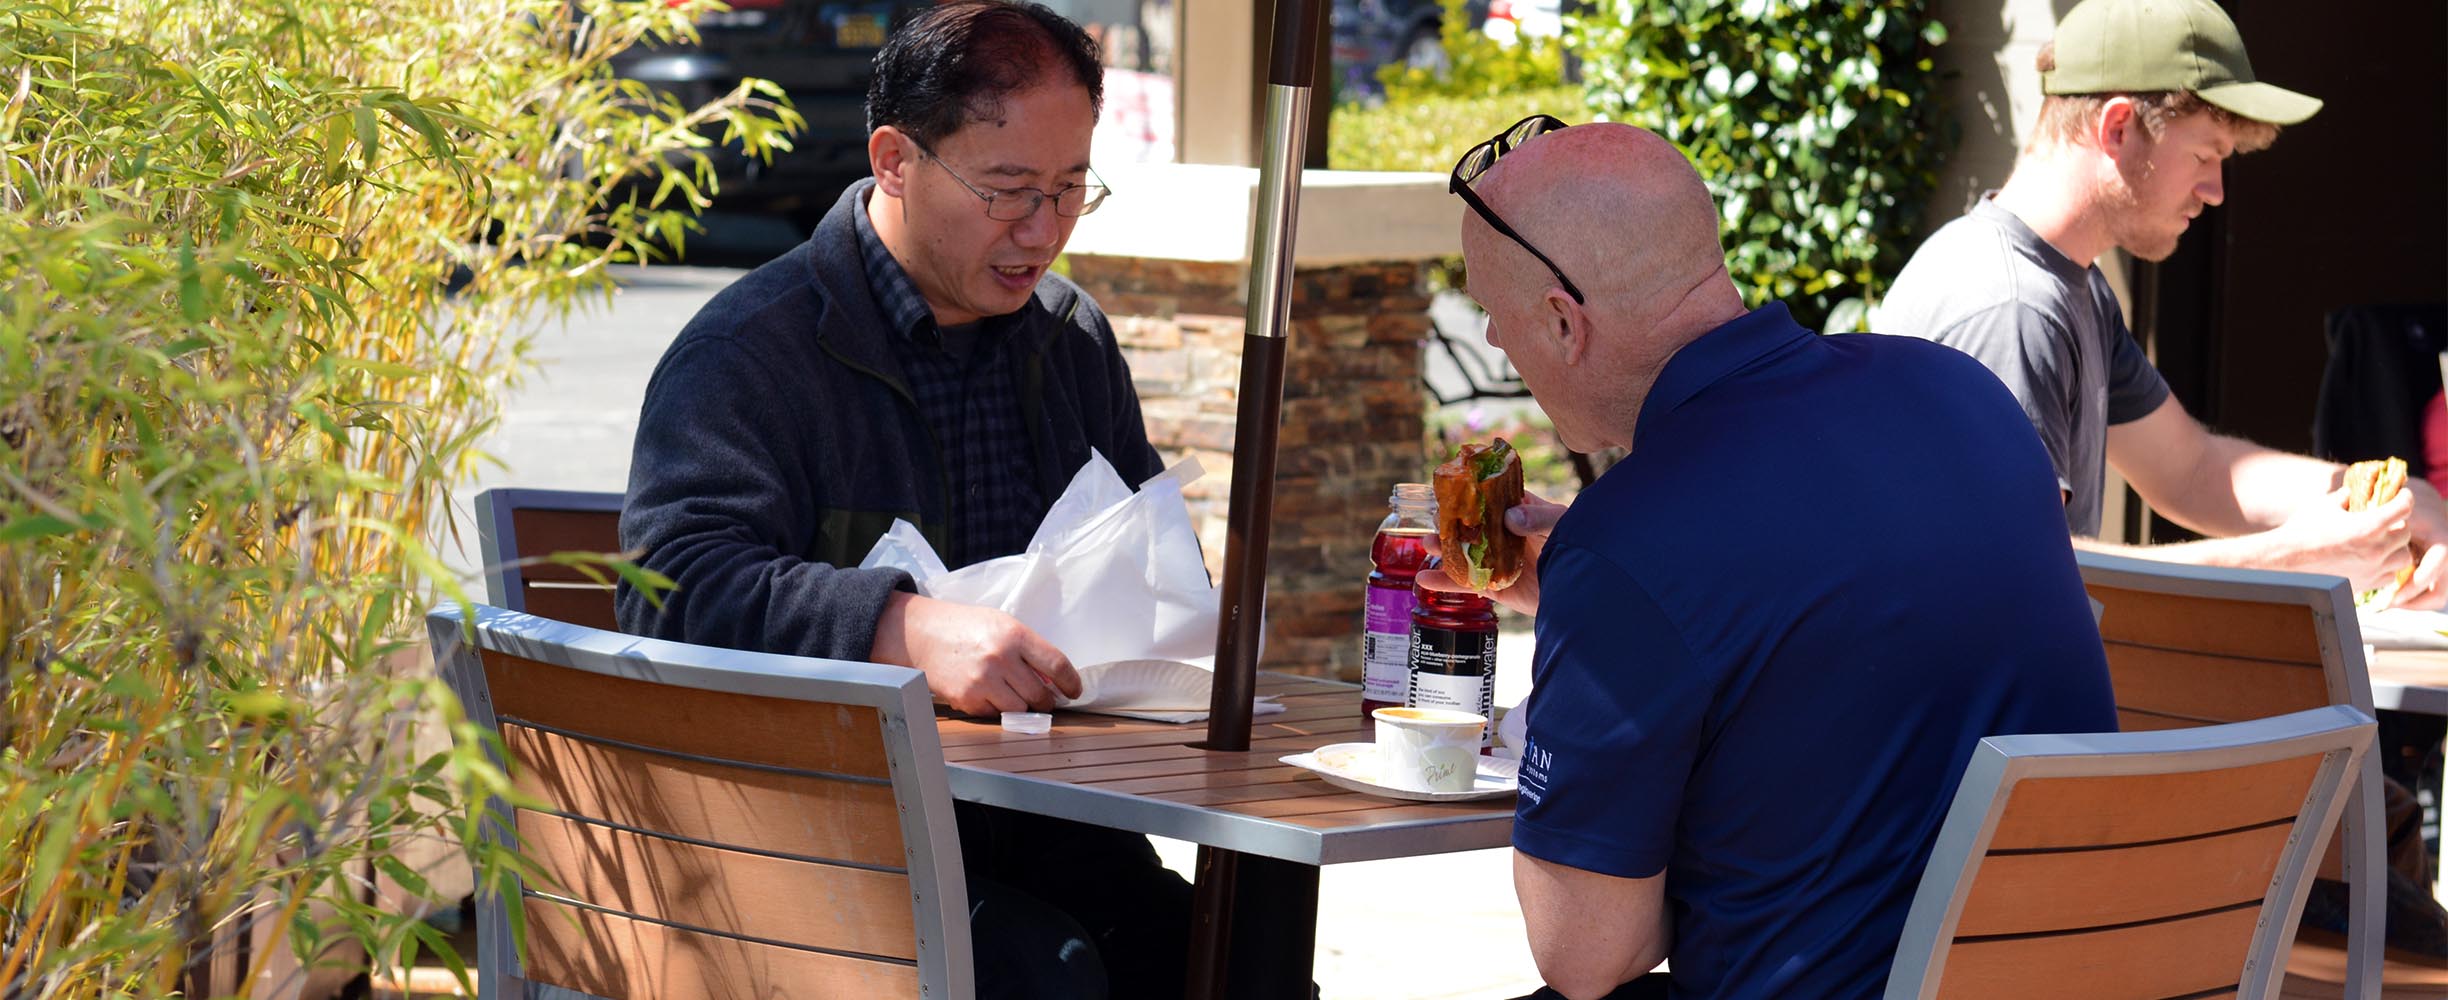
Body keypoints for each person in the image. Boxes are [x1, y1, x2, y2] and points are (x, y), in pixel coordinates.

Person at [1428, 117, 2119, 999]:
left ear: (1565, 324)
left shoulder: (1632, 542)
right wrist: (1605, 603)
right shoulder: (1962, 393)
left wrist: (1612, 599)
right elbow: (1851, 614)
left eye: (1494, 315)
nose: (1493, 343)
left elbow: (1587, 955)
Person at [614, 3, 1188, 996]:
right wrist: (902, 629)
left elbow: (1149, 559)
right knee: (1045, 973)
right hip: (809, 852)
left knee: (1222, 947)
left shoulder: (1070, 337)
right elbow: (669, 586)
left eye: (1068, 190)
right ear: (894, 160)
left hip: (1043, 822)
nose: (1043, 232)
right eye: (1008, 193)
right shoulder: (750, 353)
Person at [1876, 0, 2448, 609]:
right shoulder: (2010, 308)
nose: (2215, 192)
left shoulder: (2073, 287)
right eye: (2205, 156)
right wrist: (2298, 557)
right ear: (2117, 128)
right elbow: (2020, 579)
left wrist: (2404, 500)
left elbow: (2194, 471)